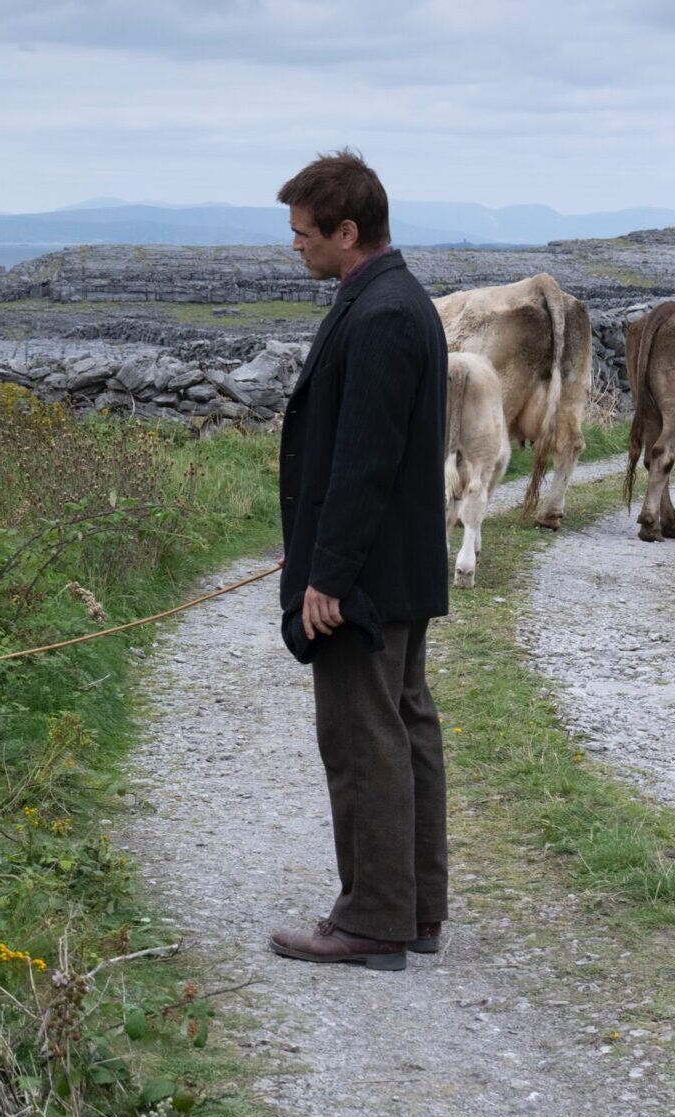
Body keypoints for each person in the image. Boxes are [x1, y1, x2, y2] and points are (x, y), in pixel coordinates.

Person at [266, 150, 451, 972]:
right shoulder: (397, 298)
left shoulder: (380, 315)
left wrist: (327, 577)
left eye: (305, 233)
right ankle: (416, 908)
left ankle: (375, 919)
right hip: (398, 568)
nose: (296, 246)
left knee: (363, 736)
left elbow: (365, 461)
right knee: (405, 729)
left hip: (365, 579)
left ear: (348, 232)